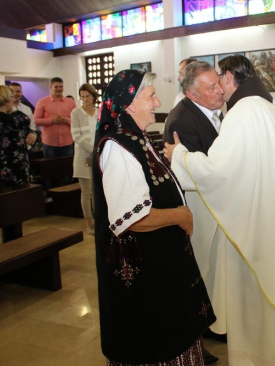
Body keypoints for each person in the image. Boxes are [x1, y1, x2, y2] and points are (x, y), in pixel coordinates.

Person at [164, 55, 275, 365]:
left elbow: (219, 173)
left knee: (258, 305)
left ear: (229, 78)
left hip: (261, 226)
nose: (218, 89)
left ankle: (261, 357)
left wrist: (180, 155)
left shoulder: (243, 113)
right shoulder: (270, 107)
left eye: (219, 81)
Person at [93, 70, 215, 366]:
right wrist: (180, 214)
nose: (158, 101)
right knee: (154, 334)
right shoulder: (118, 146)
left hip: (159, 258)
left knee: (175, 324)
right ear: (130, 104)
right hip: (142, 264)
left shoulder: (137, 137)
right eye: (151, 96)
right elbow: (129, 218)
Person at [163, 60, 225, 365]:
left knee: (212, 271)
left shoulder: (211, 111)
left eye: (219, 82)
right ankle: (196, 341)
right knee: (198, 274)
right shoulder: (181, 121)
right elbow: (192, 173)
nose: (220, 90)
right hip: (197, 208)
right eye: (211, 86)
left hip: (213, 205)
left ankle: (213, 323)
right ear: (192, 93)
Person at [0, 85, 31, 187]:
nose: (13, 99)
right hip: (7, 163)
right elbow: (25, 119)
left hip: (17, 162)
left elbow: (26, 128)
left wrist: (33, 133)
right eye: (11, 97)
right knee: (11, 194)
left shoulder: (6, 117)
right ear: (4, 99)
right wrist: (13, 109)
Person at [71, 83, 98, 235]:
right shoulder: (76, 112)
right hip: (83, 156)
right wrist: (93, 149)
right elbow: (76, 137)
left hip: (97, 155)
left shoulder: (99, 112)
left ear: (93, 96)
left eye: (87, 96)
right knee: (86, 191)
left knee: (96, 191)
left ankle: (98, 220)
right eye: (82, 97)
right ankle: (89, 223)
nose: (85, 99)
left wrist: (99, 149)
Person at [34, 77, 76, 158]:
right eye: (56, 87)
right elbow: (36, 120)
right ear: (51, 87)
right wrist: (51, 120)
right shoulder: (42, 102)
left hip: (67, 142)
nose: (59, 89)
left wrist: (66, 120)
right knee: (51, 168)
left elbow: (76, 121)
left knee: (67, 167)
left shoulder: (70, 103)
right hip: (50, 143)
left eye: (61, 87)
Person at [9, 82, 38, 149]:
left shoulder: (27, 109)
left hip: (26, 147)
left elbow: (33, 126)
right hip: (11, 148)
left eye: (18, 91)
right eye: (12, 91)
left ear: (21, 93)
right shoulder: (4, 109)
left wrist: (33, 134)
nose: (15, 93)